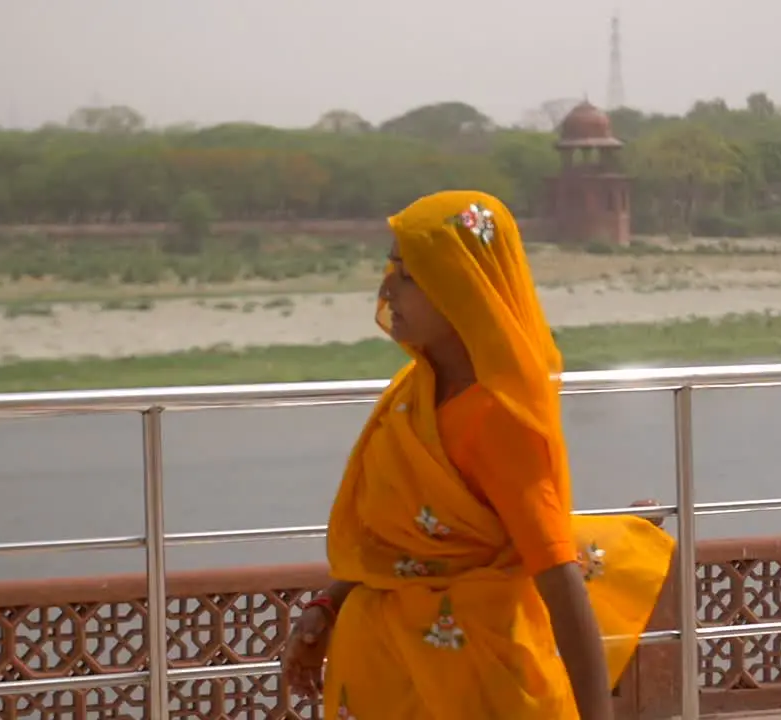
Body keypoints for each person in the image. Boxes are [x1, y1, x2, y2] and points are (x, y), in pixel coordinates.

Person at [280, 190, 675, 720]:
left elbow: (556, 576)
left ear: (462, 286)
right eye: (391, 267)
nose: (386, 288)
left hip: (476, 683)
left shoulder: (497, 417)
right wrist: (327, 605)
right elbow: (402, 544)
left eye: (409, 274)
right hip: (380, 670)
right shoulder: (415, 394)